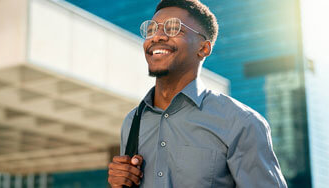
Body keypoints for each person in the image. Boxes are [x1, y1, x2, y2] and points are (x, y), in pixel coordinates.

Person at [108, 0, 287, 187]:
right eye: (152, 29)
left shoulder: (242, 123)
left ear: (203, 48)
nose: (157, 37)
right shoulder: (133, 121)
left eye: (174, 28)